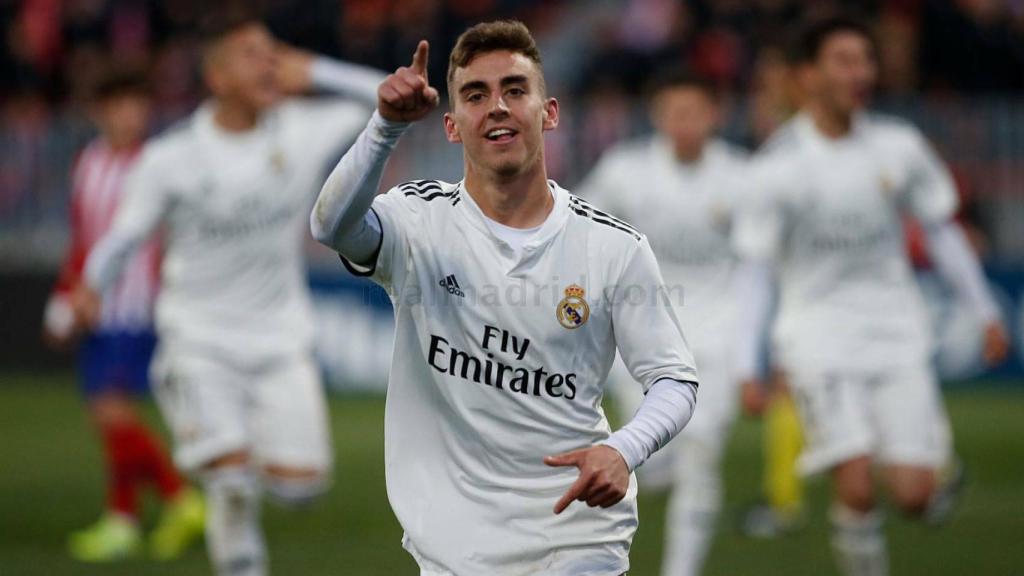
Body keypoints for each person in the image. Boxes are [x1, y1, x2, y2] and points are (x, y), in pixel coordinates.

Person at [311, 20, 699, 576]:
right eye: (476, 94)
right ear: (450, 125)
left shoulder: (614, 247)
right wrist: (383, 128)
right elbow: (331, 228)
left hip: (577, 531)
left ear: (549, 112)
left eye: (515, 90)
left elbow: (674, 378)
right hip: (453, 542)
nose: (496, 106)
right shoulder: (417, 221)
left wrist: (624, 448)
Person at [72, 13, 385, 576]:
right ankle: (227, 487)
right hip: (199, 341)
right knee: (234, 479)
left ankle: (233, 473)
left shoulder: (298, 129)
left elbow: (395, 100)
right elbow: (121, 237)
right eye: (250, 54)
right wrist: (86, 291)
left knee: (301, 490)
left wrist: (314, 69)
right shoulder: (172, 158)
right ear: (216, 77)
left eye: (273, 52)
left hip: (280, 343)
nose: (268, 63)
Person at [733, 16, 1009, 576]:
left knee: (913, 494)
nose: (861, 72)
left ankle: (932, 464)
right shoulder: (777, 167)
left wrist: (985, 309)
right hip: (817, 337)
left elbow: (941, 230)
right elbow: (756, 273)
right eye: (844, 60)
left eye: (866, 59)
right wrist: (748, 362)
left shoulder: (898, 146)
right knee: (856, 486)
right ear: (808, 75)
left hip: (896, 333)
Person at [579, 69, 748, 576]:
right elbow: (577, 227)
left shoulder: (743, 178)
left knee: (700, 453)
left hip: (719, 330)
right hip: (639, 333)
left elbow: (765, 264)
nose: (685, 123)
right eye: (675, 112)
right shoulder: (623, 172)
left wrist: (763, 349)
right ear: (658, 116)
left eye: (695, 112)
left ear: (714, 115)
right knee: (648, 460)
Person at [43, 69, 204, 563]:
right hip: (95, 308)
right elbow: (83, 238)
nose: (130, 115)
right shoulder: (87, 164)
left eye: (138, 105)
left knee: (111, 410)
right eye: (120, 105)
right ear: (102, 111)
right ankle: (123, 518)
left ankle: (180, 497)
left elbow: (179, 238)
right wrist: (68, 292)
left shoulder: (156, 166)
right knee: (109, 418)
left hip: (139, 309)